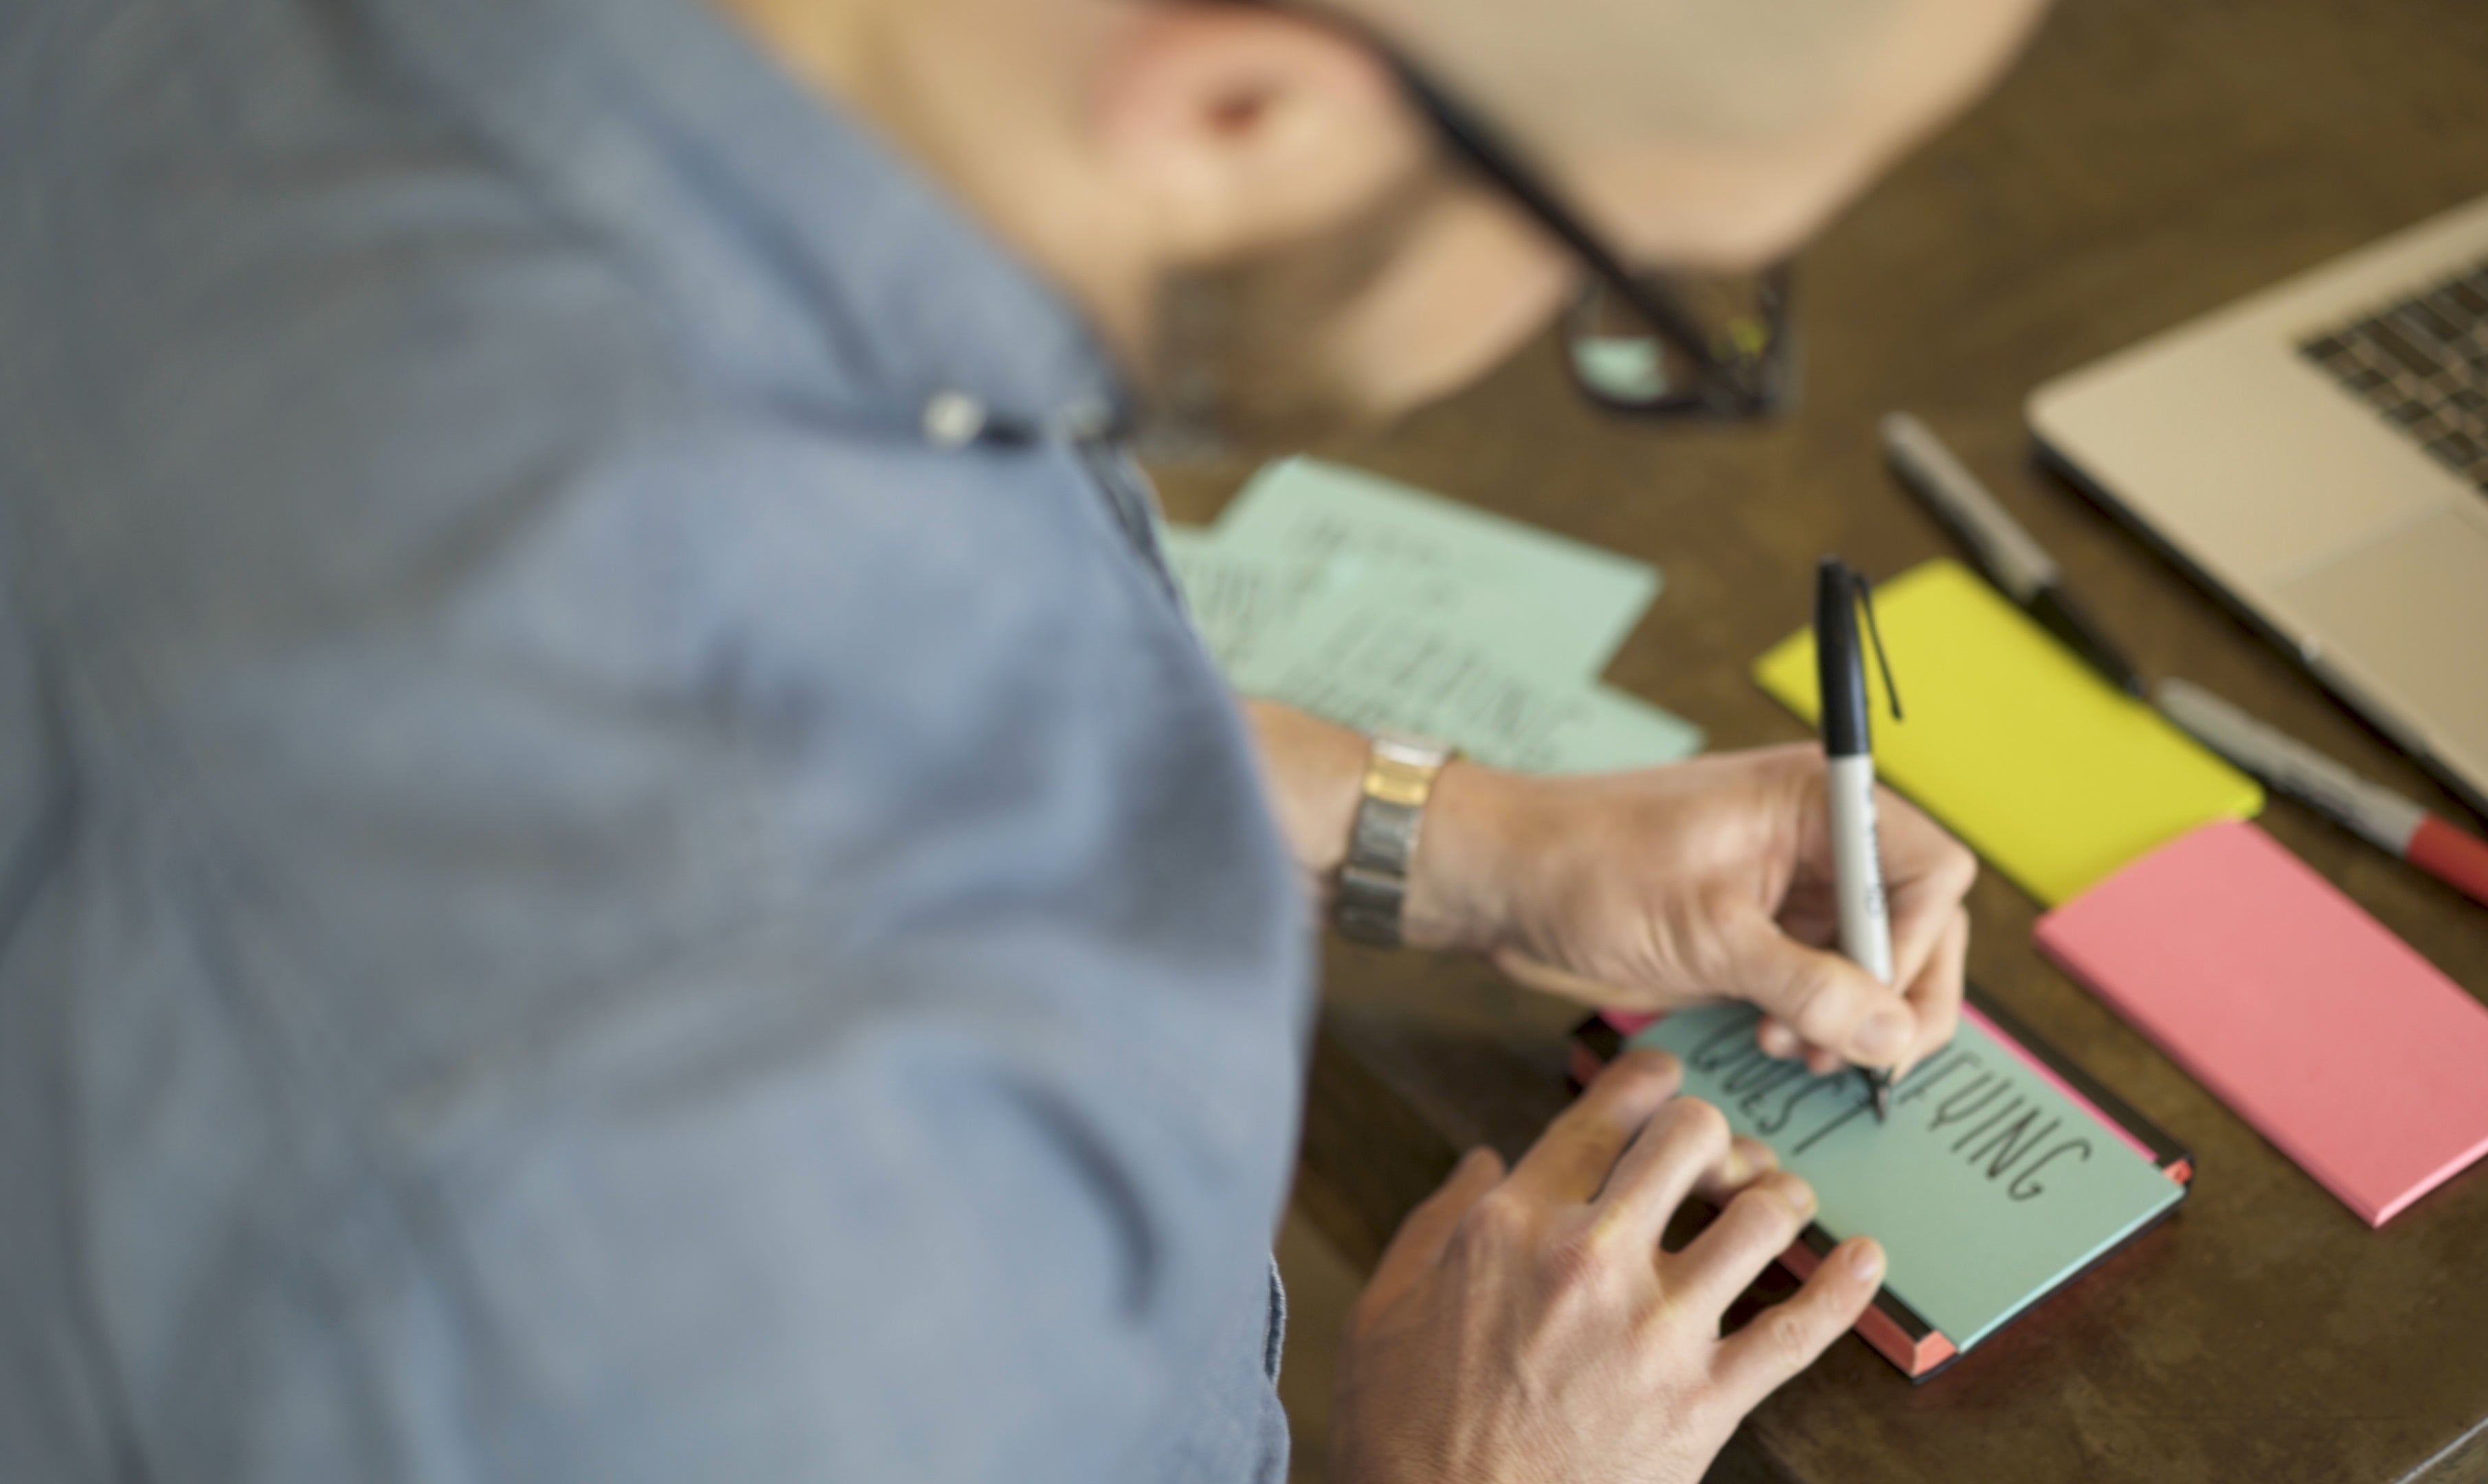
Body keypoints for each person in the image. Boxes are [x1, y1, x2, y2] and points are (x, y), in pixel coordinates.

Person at [0, 0, 2043, 1479]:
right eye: (1656, 289)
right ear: (1245, 107)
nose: (1611, 330)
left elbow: (869, 625)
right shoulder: (794, 1157)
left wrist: (1453, 831)